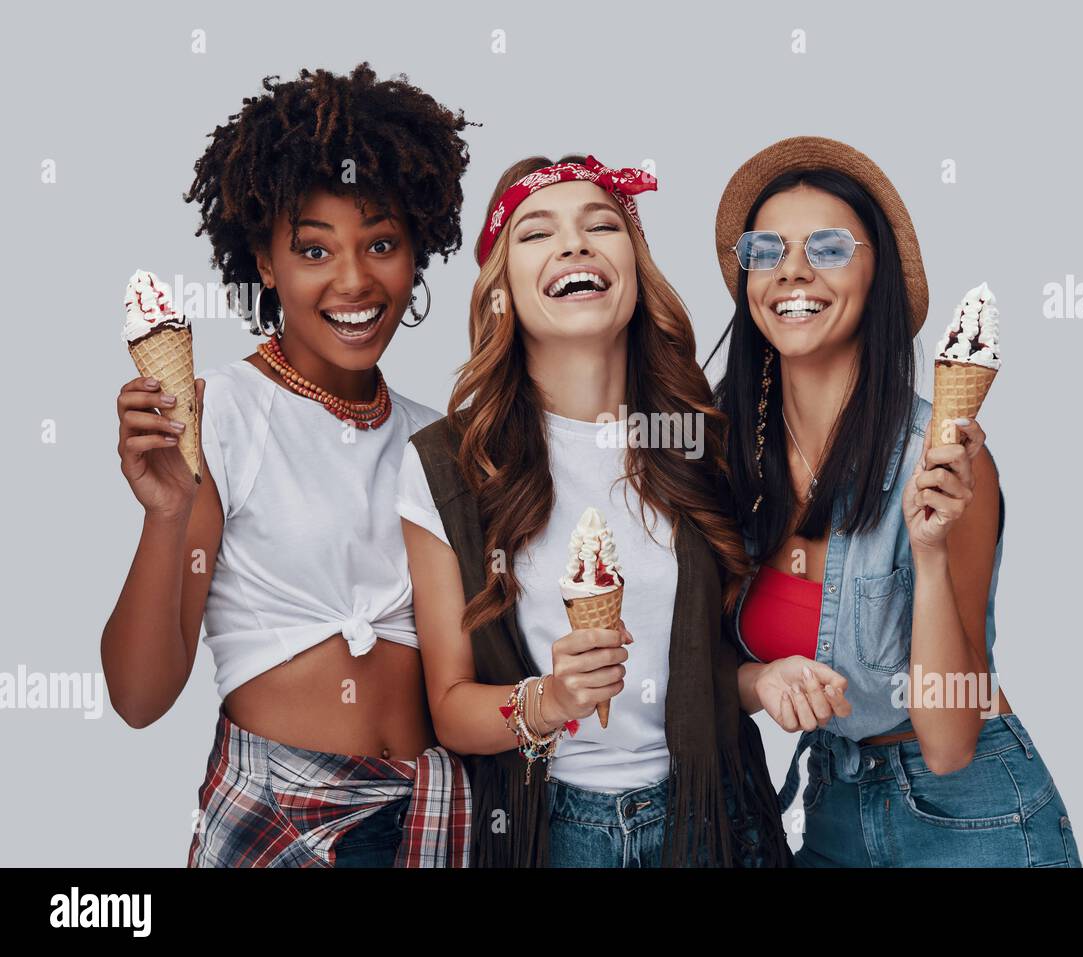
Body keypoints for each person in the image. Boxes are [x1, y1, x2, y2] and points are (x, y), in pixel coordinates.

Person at [101, 63, 476, 867]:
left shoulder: (438, 440)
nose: (353, 279)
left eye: (382, 243)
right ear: (266, 263)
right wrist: (166, 513)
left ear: (416, 254)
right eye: (314, 248)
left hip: (429, 819)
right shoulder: (219, 417)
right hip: (280, 821)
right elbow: (138, 697)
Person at [397, 154, 792, 867]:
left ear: (636, 271)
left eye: (601, 224)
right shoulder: (447, 464)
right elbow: (451, 706)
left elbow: (720, 665)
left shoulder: (707, 444)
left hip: (714, 822)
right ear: (502, 292)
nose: (574, 243)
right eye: (536, 233)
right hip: (549, 832)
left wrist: (767, 679)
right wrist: (547, 700)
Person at [707, 136, 1081, 867]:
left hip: (974, 819)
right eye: (767, 248)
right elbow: (690, 664)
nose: (792, 271)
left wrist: (932, 554)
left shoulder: (939, 461)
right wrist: (757, 680)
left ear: (877, 272)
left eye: (827, 247)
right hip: (832, 810)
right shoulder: (727, 459)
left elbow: (947, 742)